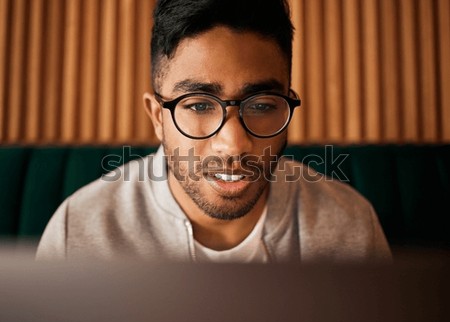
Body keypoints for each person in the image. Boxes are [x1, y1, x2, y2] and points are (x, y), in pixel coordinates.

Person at [36, 0, 391, 262]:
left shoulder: (351, 229)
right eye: (200, 105)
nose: (234, 144)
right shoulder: (78, 232)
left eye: (263, 104)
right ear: (157, 115)